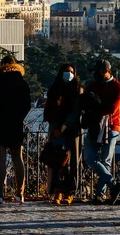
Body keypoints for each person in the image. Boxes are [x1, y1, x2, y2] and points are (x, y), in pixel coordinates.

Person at [0, 55, 31, 204]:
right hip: (16, 125)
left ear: (2, 65)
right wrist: (19, 117)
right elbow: (27, 105)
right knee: (17, 159)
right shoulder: (22, 83)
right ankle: (20, 193)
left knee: (0, 162)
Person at [82, 59, 120, 205]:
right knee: (89, 157)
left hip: (111, 127)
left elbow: (112, 109)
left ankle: (100, 195)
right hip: (95, 126)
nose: (96, 74)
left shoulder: (118, 87)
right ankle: (113, 185)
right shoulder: (93, 85)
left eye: (98, 71)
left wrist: (94, 104)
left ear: (106, 71)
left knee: (105, 160)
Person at [43, 63, 83, 205]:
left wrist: (63, 128)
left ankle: (70, 191)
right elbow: (49, 110)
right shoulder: (54, 90)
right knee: (57, 163)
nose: (69, 74)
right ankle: (56, 191)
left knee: (72, 163)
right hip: (56, 130)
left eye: (71, 71)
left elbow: (75, 113)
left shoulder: (78, 90)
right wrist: (55, 128)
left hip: (72, 130)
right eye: (66, 71)